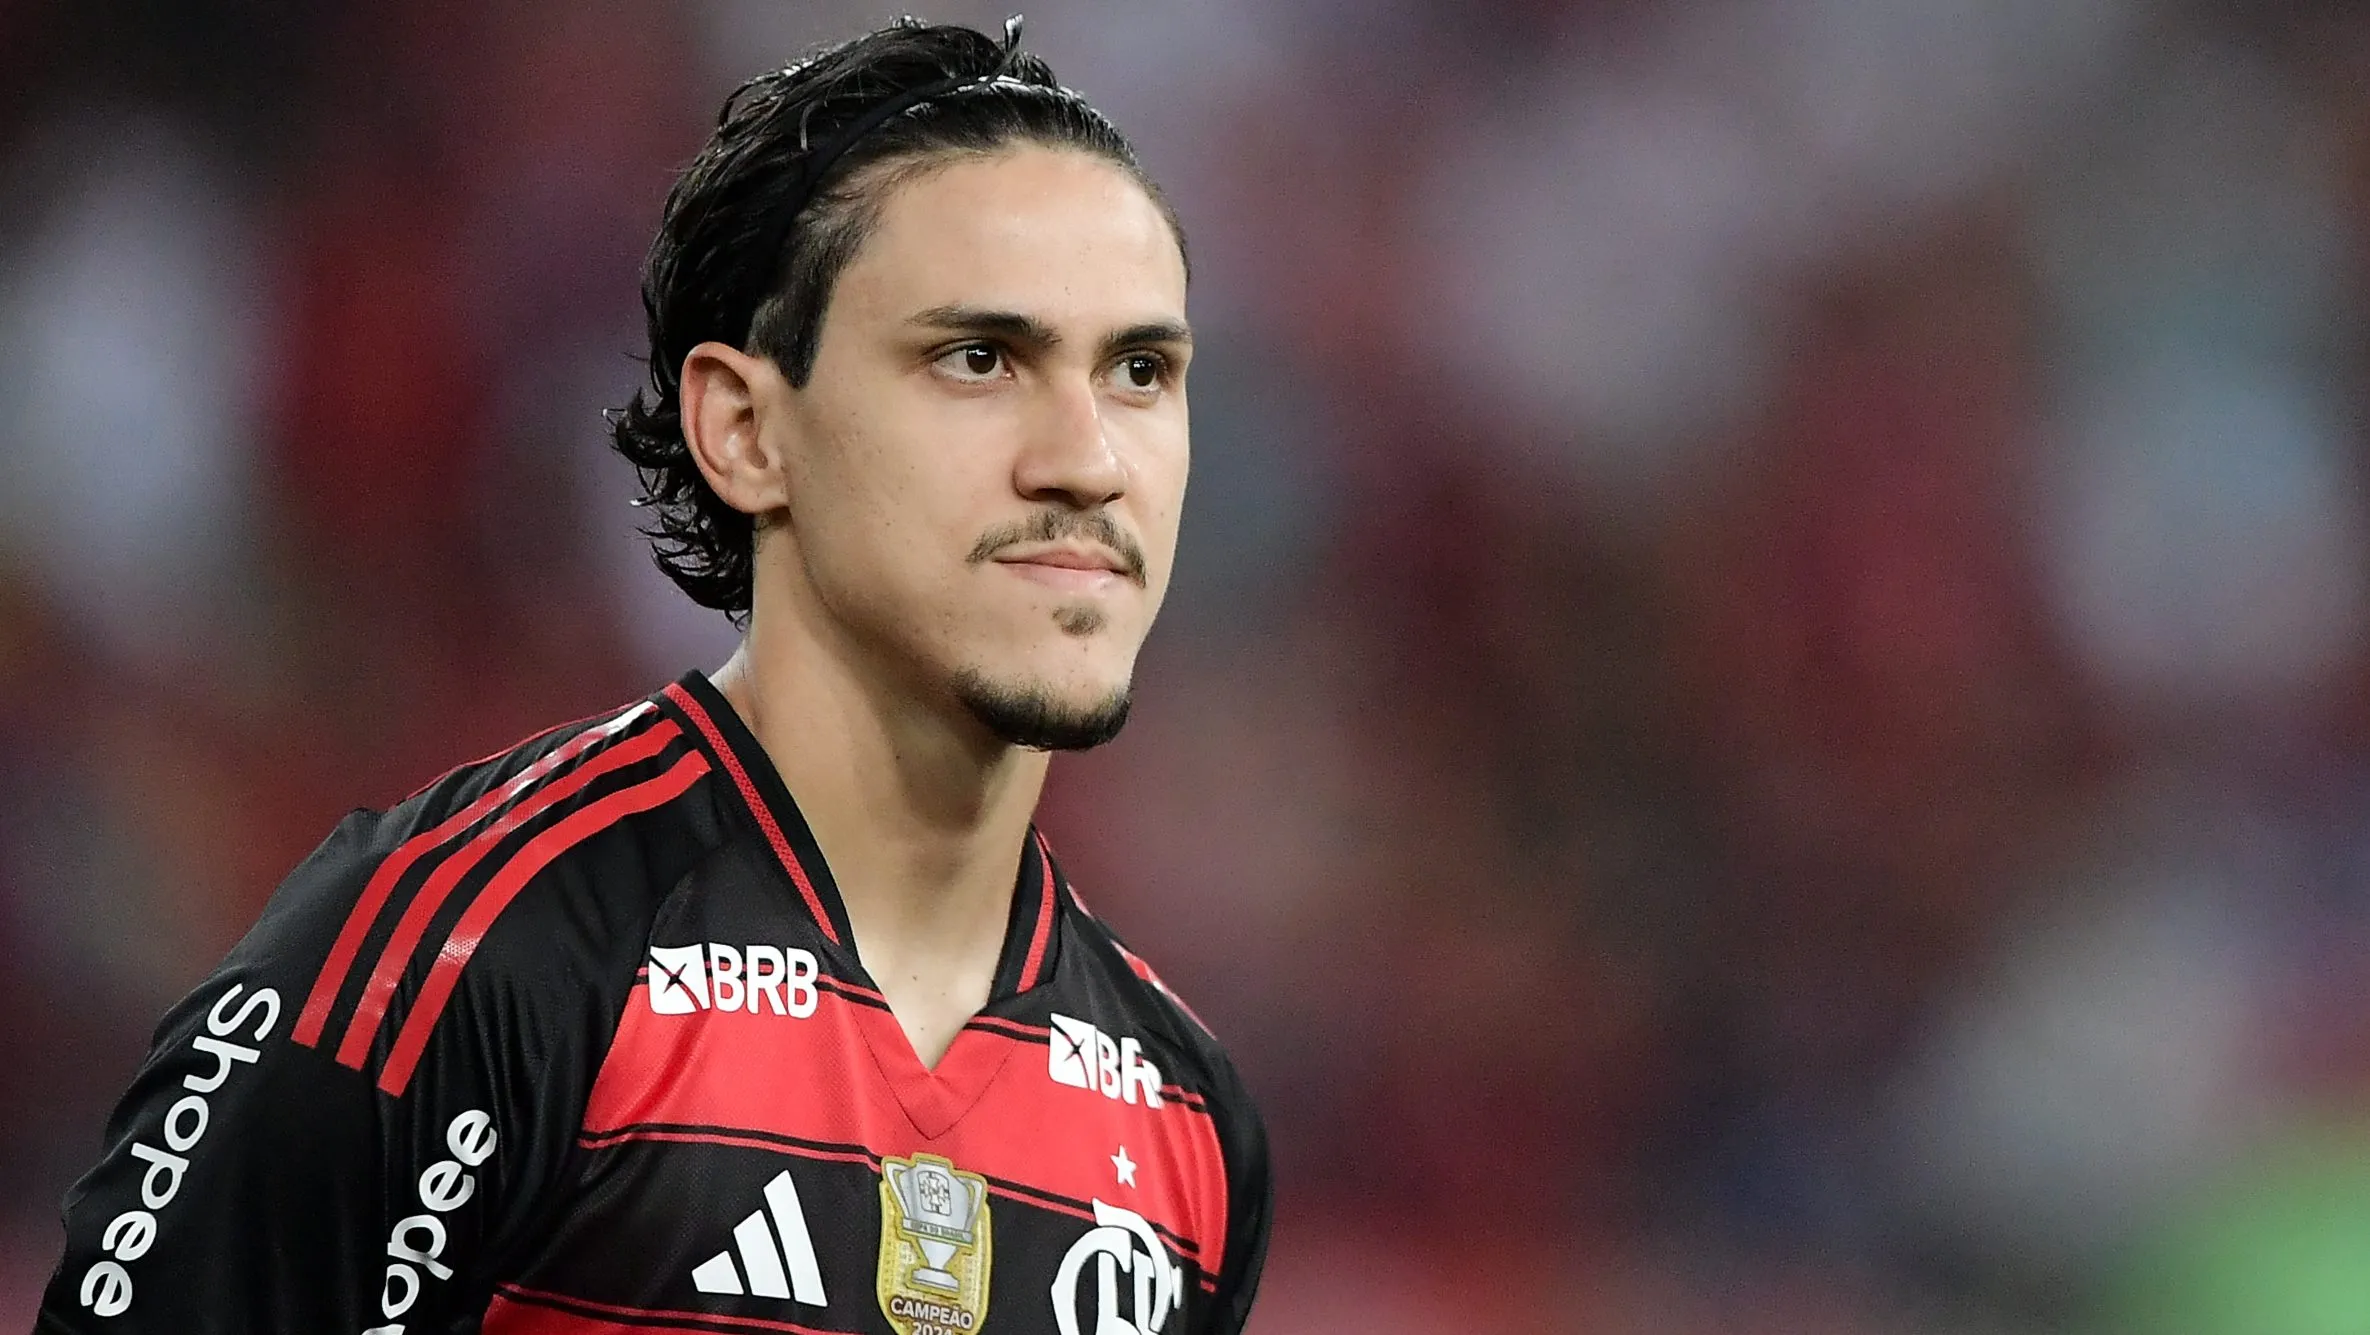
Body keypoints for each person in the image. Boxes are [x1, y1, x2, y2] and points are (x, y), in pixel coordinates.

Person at [35, 18, 1269, 1335]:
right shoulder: (464, 959)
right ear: (744, 433)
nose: (1086, 458)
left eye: (1139, 370)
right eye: (975, 360)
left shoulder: (1181, 1113)